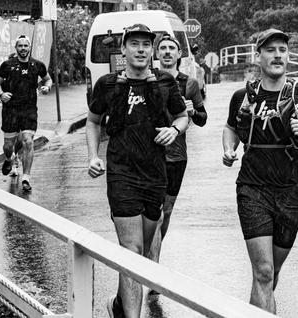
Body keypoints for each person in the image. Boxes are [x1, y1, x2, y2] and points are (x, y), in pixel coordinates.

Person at [222, 28, 298, 313]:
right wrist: (229, 149)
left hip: (289, 194)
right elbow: (230, 127)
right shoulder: (243, 96)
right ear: (258, 56)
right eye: (270, 50)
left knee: (270, 273)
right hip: (252, 190)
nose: (278, 55)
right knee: (263, 271)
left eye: (282, 50)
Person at [85, 24, 188, 318]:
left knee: (141, 252)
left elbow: (182, 117)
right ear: (124, 49)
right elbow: (93, 121)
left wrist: (174, 130)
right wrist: (93, 156)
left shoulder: (166, 83)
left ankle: (119, 305)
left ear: (152, 50)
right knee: (129, 250)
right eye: (135, 44)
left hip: (154, 174)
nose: (141, 49)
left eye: (146, 44)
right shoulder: (107, 84)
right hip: (121, 173)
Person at [147, 34, 207, 278]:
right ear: (157, 54)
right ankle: (153, 270)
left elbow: (203, 119)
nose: (168, 52)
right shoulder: (148, 80)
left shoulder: (189, 83)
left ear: (179, 54)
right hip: (151, 153)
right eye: (163, 48)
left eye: (172, 48)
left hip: (176, 156)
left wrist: (193, 111)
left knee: (166, 212)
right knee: (156, 214)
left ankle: (153, 251)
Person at [0, 35, 52, 191]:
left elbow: (48, 79)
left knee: (28, 141)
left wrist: (47, 87)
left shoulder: (37, 65)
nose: (23, 48)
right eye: (20, 46)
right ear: (16, 48)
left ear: (29, 47)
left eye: (26, 46)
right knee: (8, 145)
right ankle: (9, 158)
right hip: (10, 109)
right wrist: (1, 94)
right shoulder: (7, 65)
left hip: (29, 109)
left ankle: (26, 178)